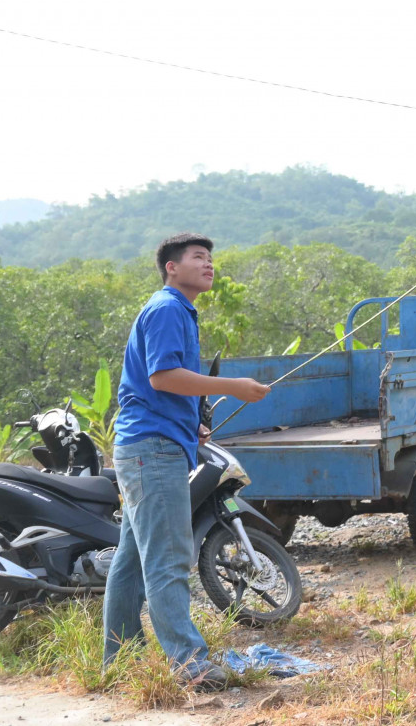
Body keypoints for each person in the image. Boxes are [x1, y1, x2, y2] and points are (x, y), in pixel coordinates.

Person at [103, 234, 271, 686]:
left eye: (211, 258)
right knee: (169, 559)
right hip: (151, 451)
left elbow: (159, 387)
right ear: (172, 267)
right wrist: (233, 386)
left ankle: (119, 660)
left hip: (150, 445)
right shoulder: (168, 309)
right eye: (198, 257)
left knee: (133, 560)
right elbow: (162, 377)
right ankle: (189, 663)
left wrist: (191, 424)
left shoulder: (176, 310)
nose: (209, 264)